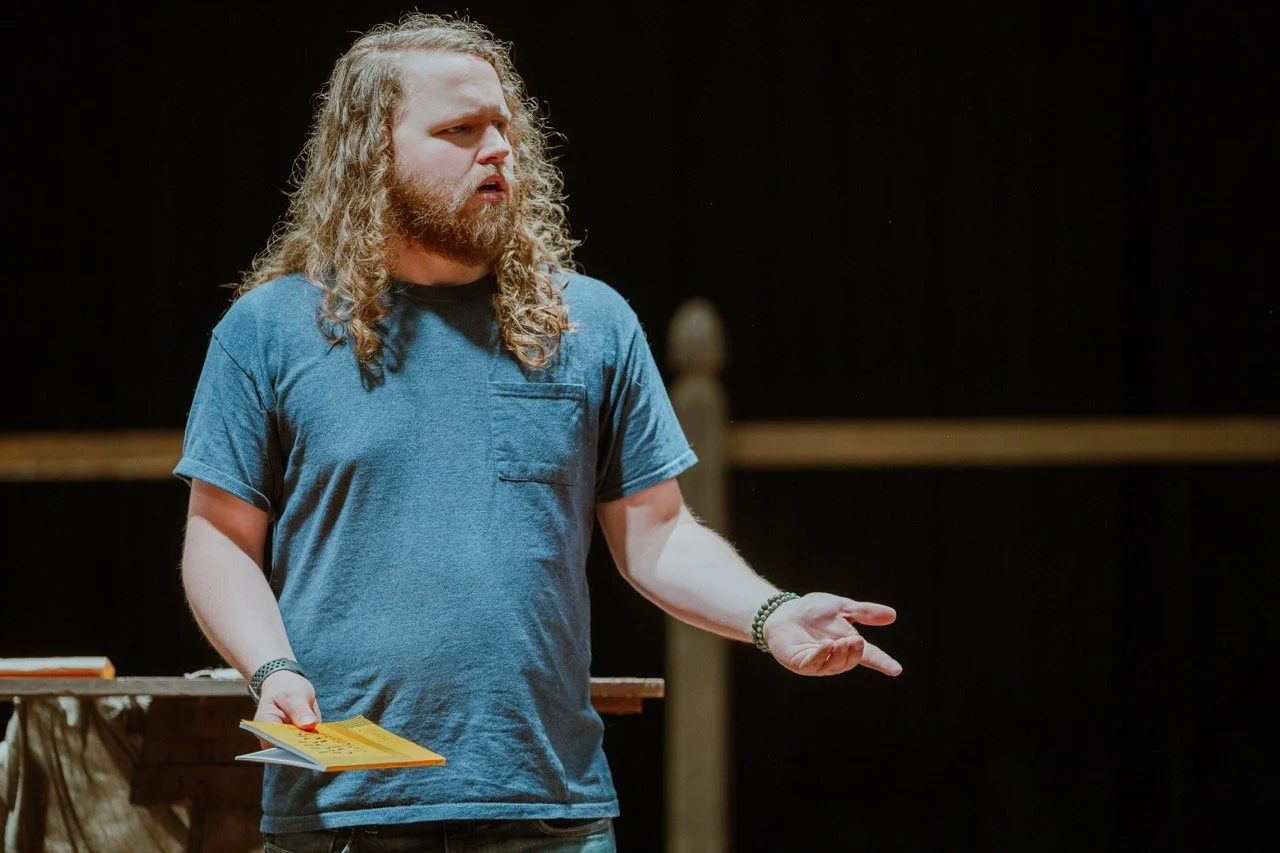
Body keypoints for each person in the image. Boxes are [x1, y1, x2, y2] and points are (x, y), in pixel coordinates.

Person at [175, 12, 902, 852]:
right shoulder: (269, 330)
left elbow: (658, 534)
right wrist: (272, 668)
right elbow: (219, 539)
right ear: (371, 153)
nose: (497, 150)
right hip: (344, 807)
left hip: (547, 810)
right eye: (460, 130)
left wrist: (771, 613)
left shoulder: (586, 322)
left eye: (503, 127)